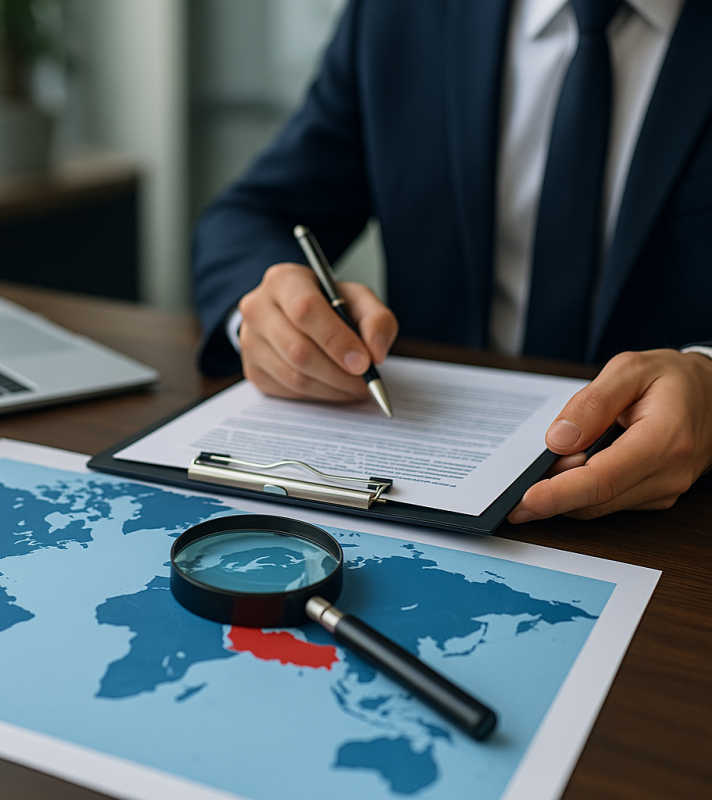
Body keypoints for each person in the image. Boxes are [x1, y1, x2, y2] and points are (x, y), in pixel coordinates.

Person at [191, 0, 712, 523]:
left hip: (667, 515)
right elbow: (250, 217)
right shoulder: (396, 14)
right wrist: (273, 315)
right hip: (423, 477)